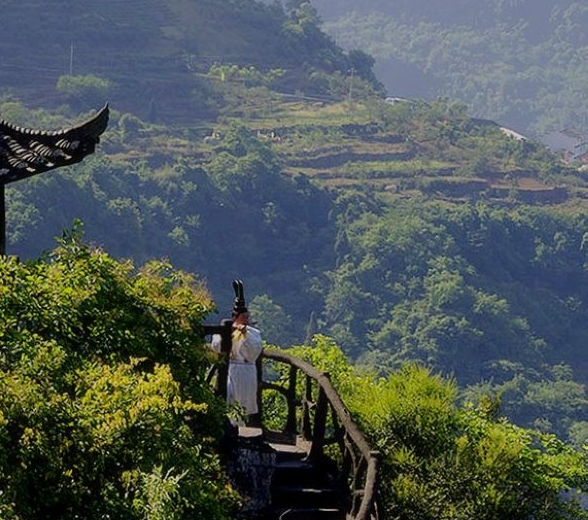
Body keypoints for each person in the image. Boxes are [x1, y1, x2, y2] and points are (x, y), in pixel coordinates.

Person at [211, 280, 263, 422]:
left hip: (246, 370)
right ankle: (228, 424)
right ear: (235, 317)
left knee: (244, 402)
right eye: (243, 317)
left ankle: (242, 425)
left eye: (247, 317)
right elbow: (216, 347)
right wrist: (230, 332)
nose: (246, 319)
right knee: (228, 396)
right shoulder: (224, 330)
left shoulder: (253, 333)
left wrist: (245, 334)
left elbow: (254, 353)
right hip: (230, 368)